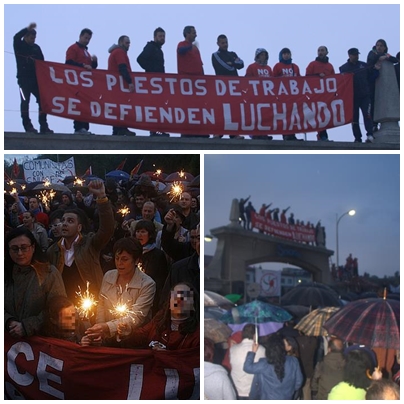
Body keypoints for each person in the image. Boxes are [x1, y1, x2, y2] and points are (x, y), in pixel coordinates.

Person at [46, 180, 115, 301]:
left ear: (79, 227)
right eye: (63, 220)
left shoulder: (90, 244)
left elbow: (107, 229)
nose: (65, 224)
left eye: (70, 221)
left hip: (91, 304)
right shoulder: (53, 250)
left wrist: (101, 197)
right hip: (65, 307)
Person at [85, 237, 156, 346]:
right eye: (117, 258)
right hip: (106, 337)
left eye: (124, 259)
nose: (119, 263)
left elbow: (136, 317)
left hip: (132, 340)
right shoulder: (109, 275)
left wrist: (107, 327)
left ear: (136, 261)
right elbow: (101, 305)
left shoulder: (147, 284)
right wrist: (100, 329)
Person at [5, 228, 67, 338]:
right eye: (14, 249)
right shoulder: (4, 273)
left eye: (24, 248)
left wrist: (27, 326)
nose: (20, 253)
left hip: (41, 342)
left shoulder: (49, 273)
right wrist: (8, 321)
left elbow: (59, 308)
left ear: (33, 247)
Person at [118, 282, 199, 350]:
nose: (179, 301)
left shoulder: (197, 333)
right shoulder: (160, 318)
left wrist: (165, 355)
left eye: (184, 297)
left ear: (193, 305)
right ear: (170, 302)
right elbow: (142, 336)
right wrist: (129, 333)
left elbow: (191, 362)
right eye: (176, 296)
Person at [13, 22, 53, 134]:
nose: (33, 40)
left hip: (36, 80)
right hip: (23, 80)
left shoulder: (36, 48)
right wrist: (26, 29)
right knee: (25, 102)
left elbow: (42, 64)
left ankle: (43, 125)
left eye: (34, 38)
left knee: (42, 100)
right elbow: (15, 37)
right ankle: (28, 126)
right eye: (31, 38)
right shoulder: (19, 45)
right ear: (25, 37)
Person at [244, 333, 304, 399]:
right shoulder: (293, 361)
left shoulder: (264, 363)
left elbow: (247, 367)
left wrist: (253, 352)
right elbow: (299, 382)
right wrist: (289, 391)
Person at [137, 27, 170, 138]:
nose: (162, 38)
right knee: (154, 106)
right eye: (160, 36)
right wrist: (151, 72)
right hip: (153, 84)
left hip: (158, 84)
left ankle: (159, 129)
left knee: (160, 106)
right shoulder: (151, 47)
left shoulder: (158, 49)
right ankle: (154, 130)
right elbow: (140, 59)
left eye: (163, 36)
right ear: (155, 37)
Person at [339, 48, 377, 143]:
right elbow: (341, 83)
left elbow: (371, 78)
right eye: (354, 54)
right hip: (352, 97)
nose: (356, 56)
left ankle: (370, 134)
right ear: (349, 55)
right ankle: (357, 138)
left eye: (357, 54)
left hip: (365, 96)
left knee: (367, 116)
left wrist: (377, 71)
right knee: (354, 119)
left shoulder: (364, 65)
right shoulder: (343, 68)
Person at [65, 28, 98, 135]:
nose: (87, 40)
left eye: (89, 38)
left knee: (86, 105)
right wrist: (83, 66)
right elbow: (68, 63)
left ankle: (85, 128)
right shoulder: (73, 48)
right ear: (80, 36)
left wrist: (94, 63)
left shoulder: (86, 52)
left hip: (85, 85)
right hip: (77, 83)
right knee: (79, 105)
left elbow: (90, 69)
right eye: (86, 38)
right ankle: (78, 128)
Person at [211, 34, 244, 139]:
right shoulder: (215, 55)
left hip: (234, 88)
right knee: (221, 110)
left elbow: (241, 64)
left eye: (226, 42)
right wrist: (234, 64)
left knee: (234, 110)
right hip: (222, 87)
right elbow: (225, 67)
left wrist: (233, 63)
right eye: (222, 43)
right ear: (218, 44)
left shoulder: (232, 53)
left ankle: (234, 133)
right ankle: (218, 132)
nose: (225, 44)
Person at [134, 220, 168, 315]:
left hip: (151, 295)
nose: (140, 235)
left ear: (150, 234)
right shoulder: (131, 252)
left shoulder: (158, 254)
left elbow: (161, 279)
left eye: (143, 232)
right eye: (138, 231)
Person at [177, 26, 205, 138]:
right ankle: (186, 131)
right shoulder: (182, 44)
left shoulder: (195, 49)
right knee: (187, 106)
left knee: (198, 106)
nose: (195, 35)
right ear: (187, 34)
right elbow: (181, 51)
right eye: (193, 33)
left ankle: (199, 131)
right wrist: (190, 46)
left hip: (197, 83)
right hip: (186, 83)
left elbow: (200, 64)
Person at [366, 39, 399, 132]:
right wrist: (382, 56)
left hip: (382, 83)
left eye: (381, 45)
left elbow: (395, 59)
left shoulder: (386, 55)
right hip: (372, 81)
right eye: (378, 45)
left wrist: (385, 57)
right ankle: (373, 125)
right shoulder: (372, 53)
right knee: (372, 103)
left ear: (385, 47)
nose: (379, 47)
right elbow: (372, 60)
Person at [108, 35, 136, 136]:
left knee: (118, 107)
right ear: (121, 43)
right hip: (119, 86)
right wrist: (129, 82)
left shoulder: (117, 52)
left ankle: (118, 130)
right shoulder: (119, 52)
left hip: (116, 86)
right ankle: (121, 128)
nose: (128, 45)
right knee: (121, 107)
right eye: (126, 43)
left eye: (129, 43)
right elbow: (122, 67)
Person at [306, 46, 335, 141]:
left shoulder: (330, 66)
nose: (320, 52)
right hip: (315, 95)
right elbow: (307, 78)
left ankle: (322, 135)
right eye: (318, 50)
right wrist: (318, 76)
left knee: (325, 114)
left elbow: (334, 80)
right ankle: (321, 135)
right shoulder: (312, 64)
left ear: (327, 52)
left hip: (326, 96)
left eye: (322, 50)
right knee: (318, 115)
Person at [273, 47, 303, 141]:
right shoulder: (277, 66)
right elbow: (272, 80)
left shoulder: (295, 67)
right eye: (284, 53)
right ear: (281, 55)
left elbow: (300, 80)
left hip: (293, 96)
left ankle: (292, 134)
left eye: (288, 53)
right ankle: (285, 134)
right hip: (282, 96)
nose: (286, 55)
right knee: (284, 115)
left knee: (293, 115)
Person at [230, 324, 266, 399]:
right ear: (255, 335)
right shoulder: (262, 350)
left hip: (236, 389)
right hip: (253, 390)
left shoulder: (232, 349)